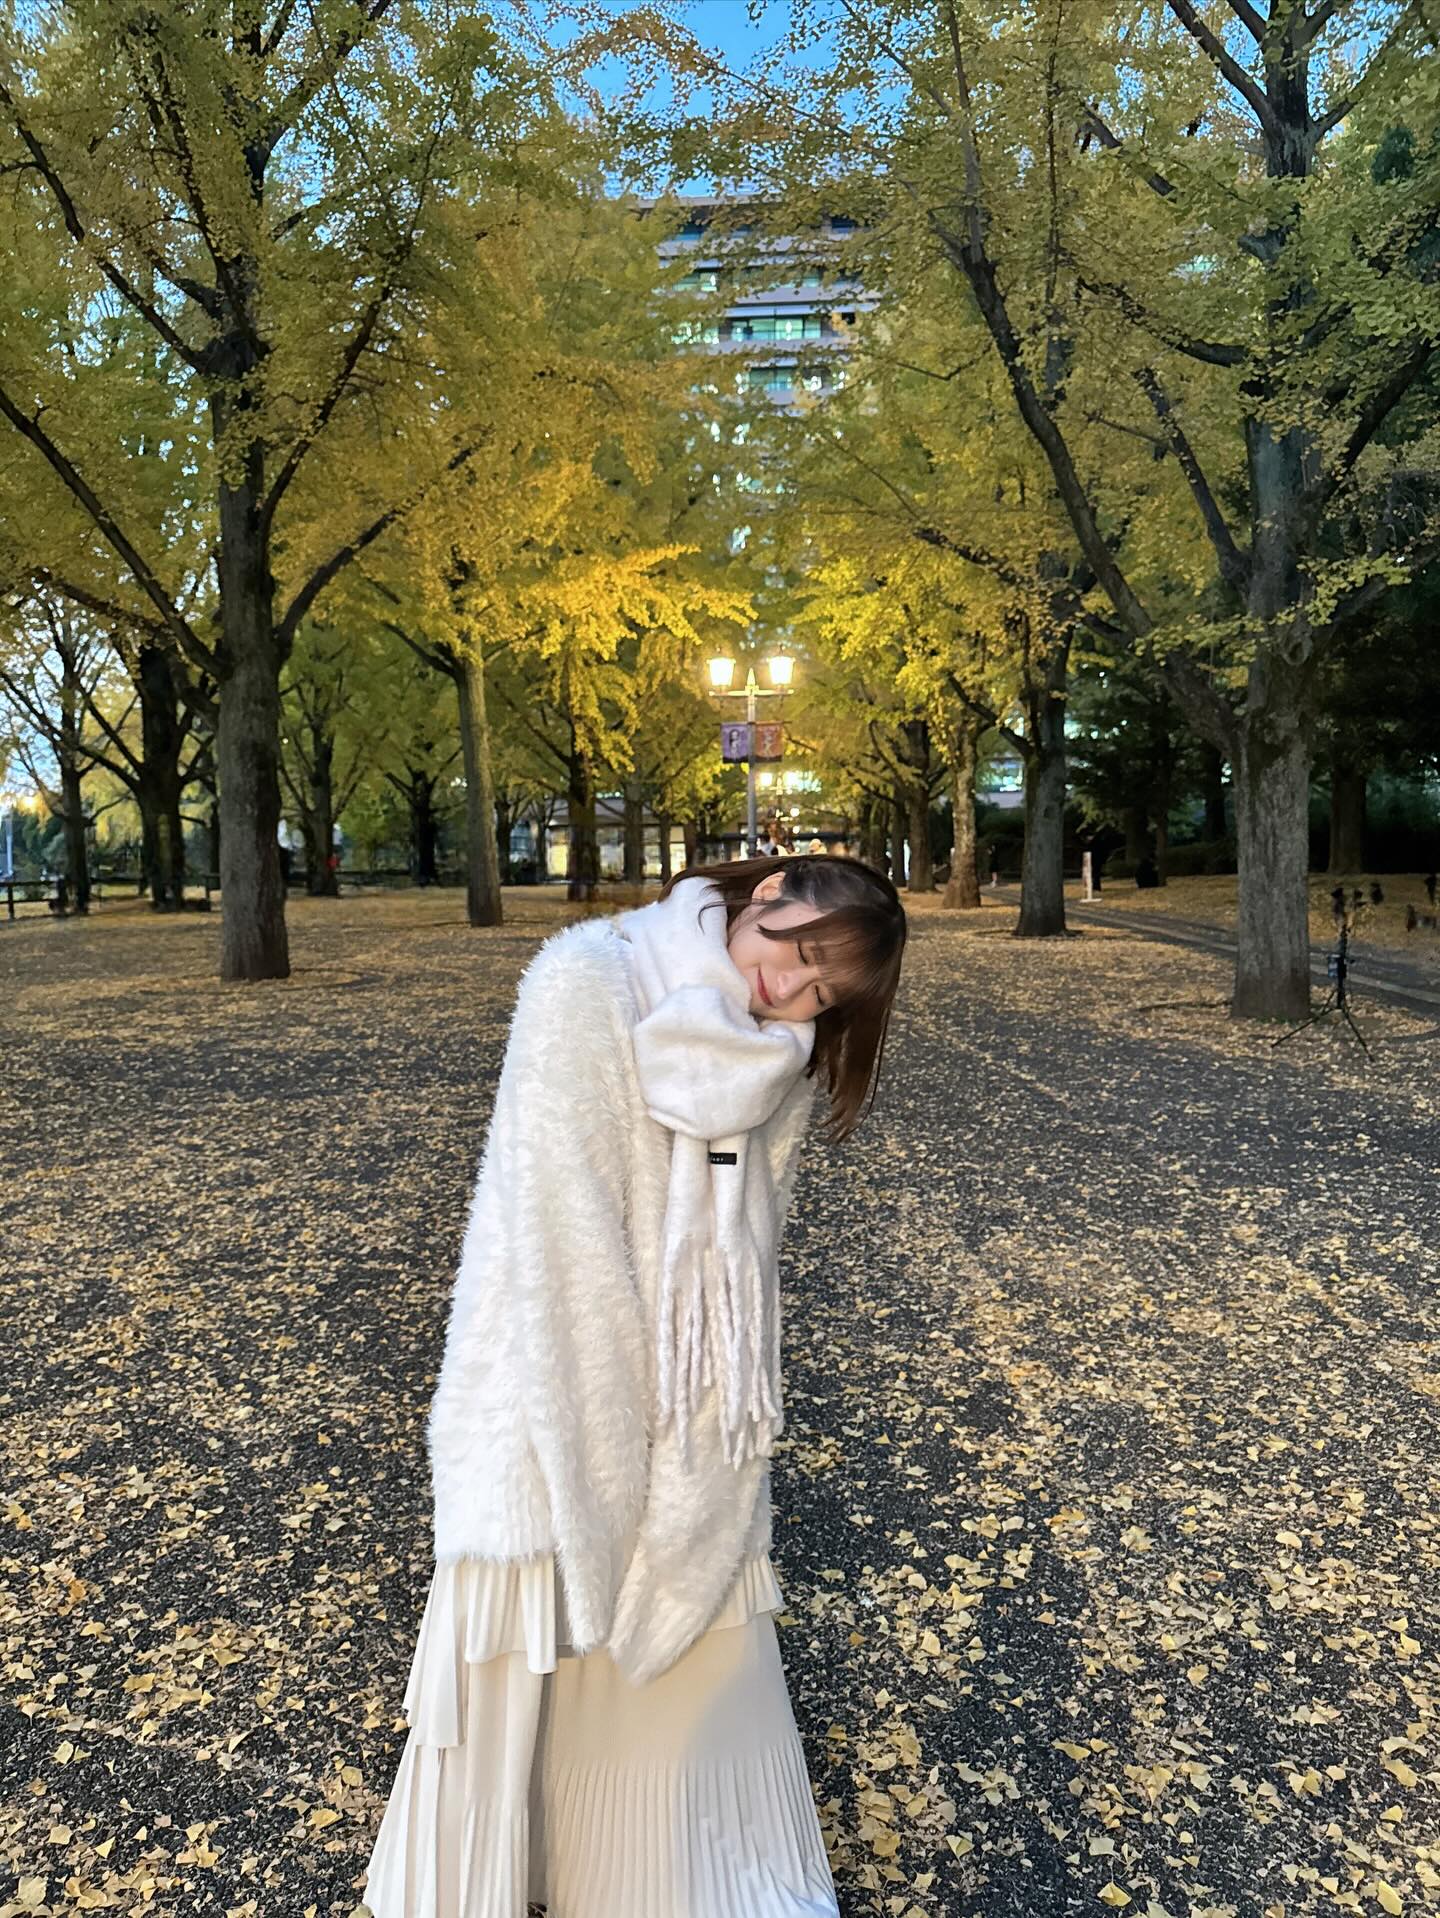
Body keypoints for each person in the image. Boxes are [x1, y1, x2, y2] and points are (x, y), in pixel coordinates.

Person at [364, 853, 908, 1918]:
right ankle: (503, 1876)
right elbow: (558, 1227)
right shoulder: (591, 980)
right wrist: (615, 1451)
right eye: (798, 952)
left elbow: (749, 1272)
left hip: (699, 1404)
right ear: (768, 892)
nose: (791, 991)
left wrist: (691, 1439)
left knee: (700, 1623)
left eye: (823, 991)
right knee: (542, 1604)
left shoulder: (777, 1058)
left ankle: (661, 1876)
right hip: (550, 1373)